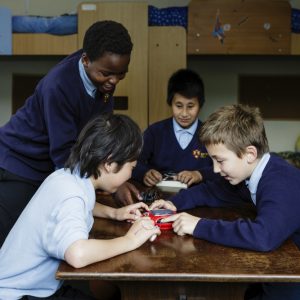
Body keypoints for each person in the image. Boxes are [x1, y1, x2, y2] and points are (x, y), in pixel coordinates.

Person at [0, 20, 141, 248]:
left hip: (51, 167)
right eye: (107, 74)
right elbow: (63, 156)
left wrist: (118, 178)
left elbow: (102, 136)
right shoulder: (58, 87)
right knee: (10, 240)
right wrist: (111, 181)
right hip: (19, 163)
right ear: (85, 61)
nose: (114, 81)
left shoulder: (101, 71)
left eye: (121, 74)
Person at [0, 113, 160, 300]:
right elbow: (77, 254)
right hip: (20, 294)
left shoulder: (70, 176)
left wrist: (114, 213)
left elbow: (82, 204)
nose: (130, 174)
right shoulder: (71, 194)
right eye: (131, 167)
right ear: (109, 163)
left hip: (30, 286)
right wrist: (130, 240)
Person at [150, 104, 300, 300]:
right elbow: (211, 190)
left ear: (250, 154)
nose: (215, 170)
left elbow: (263, 236)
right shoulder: (250, 175)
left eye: (220, 161)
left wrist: (198, 225)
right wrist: (174, 204)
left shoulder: (280, 182)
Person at [132, 69, 214, 187]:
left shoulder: (211, 135)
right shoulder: (154, 132)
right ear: (170, 103)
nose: (184, 113)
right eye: (179, 106)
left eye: (190, 106)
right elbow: (132, 162)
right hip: (159, 199)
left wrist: (199, 174)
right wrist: (144, 173)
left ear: (200, 104)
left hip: (200, 199)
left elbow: (224, 170)